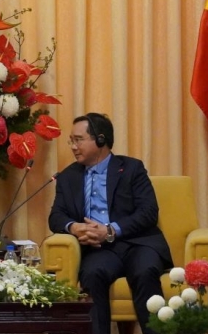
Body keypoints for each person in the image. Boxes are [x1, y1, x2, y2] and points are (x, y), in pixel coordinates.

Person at [48, 112, 172, 334]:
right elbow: (56, 216)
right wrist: (74, 227)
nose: (73, 147)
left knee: (145, 272)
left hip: (137, 243)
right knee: (92, 274)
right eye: (71, 141)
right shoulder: (68, 177)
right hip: (99, 250)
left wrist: (110, 230)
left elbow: (148, 212)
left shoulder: (132, 168)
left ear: (100, 140)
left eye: (78, 140)